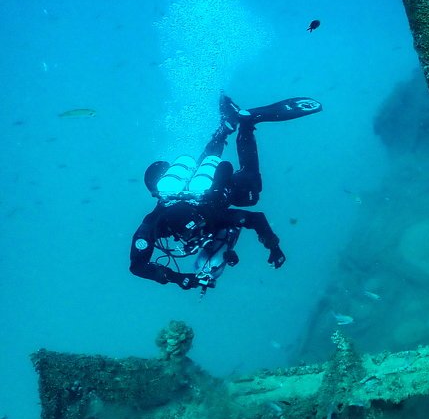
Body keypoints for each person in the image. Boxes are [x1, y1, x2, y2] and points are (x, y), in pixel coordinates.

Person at [130, 94, 322, 292]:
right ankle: (226, 127)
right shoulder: (185, 200)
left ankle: (246, 124)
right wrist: (271, 247)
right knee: (206, 164)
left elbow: (138, 266)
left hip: (226, 192)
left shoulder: (154, 223)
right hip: (215, 194)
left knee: (251, 194)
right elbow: (137, 267)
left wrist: (179, 278)